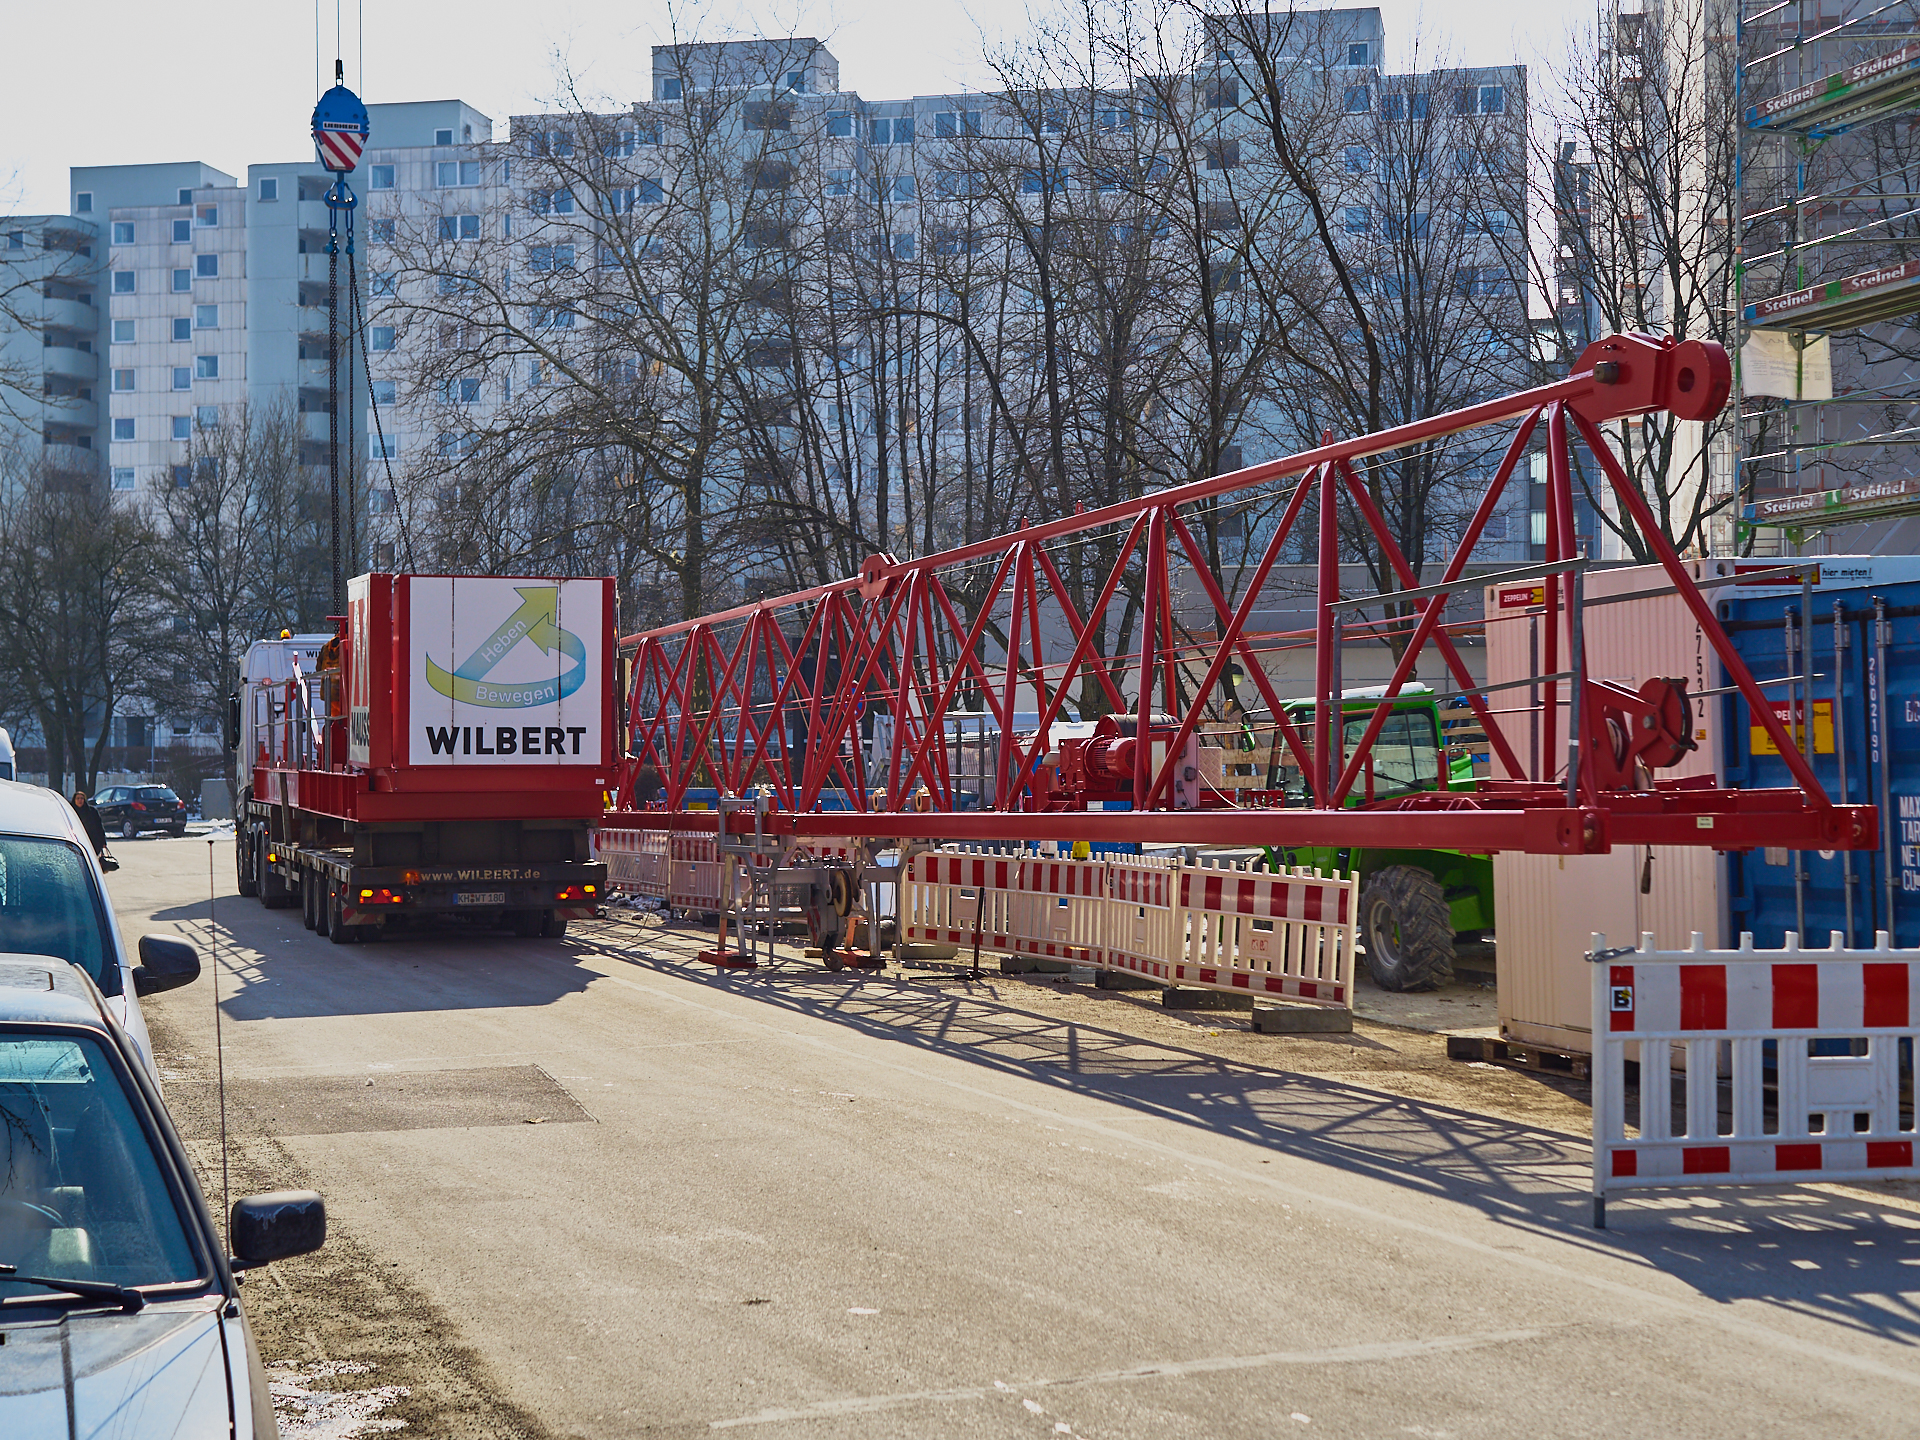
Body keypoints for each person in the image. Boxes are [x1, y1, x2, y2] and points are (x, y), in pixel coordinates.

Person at [70, 791, 110, 865]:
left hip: (92, 841)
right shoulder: (70, 811)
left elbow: (99, 827)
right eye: (78, 798)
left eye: (82, 798)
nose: (80, 800)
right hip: (75, 840)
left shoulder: (92, 811)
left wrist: (103, 842)